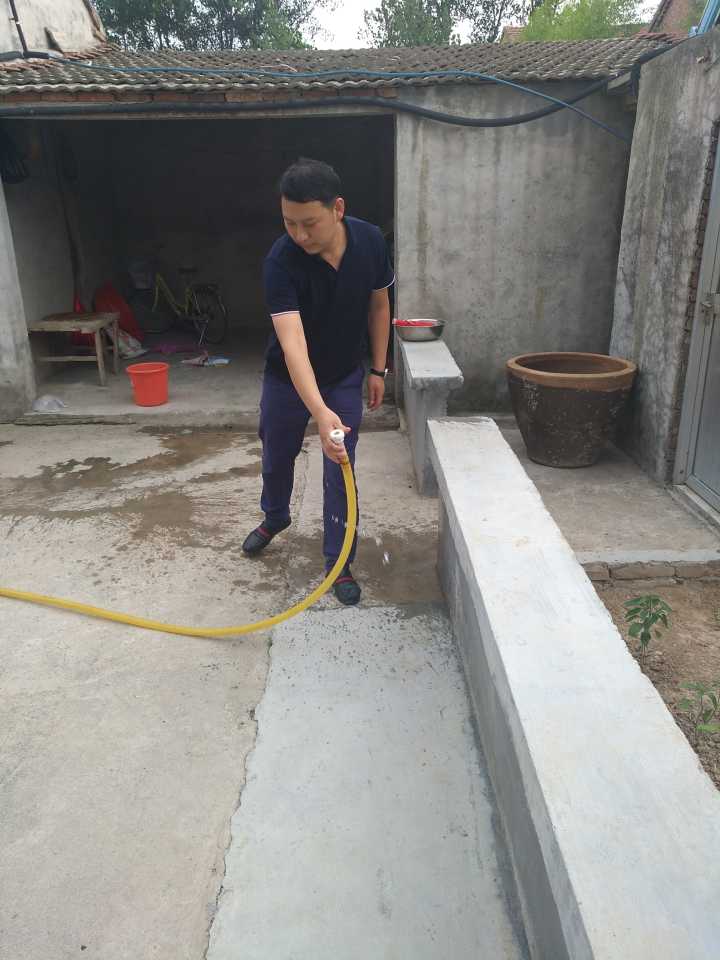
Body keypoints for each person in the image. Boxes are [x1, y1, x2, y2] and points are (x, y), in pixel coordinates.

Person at [242, 158, 393, 606]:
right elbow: (292, 343)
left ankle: (339, 561)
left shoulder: (370, 241)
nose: (299, 235)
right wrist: (319, 411)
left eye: (309, 223)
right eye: (289, 223)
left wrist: (378, 369)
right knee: (276, 455)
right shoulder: (280, 261)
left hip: (344, 374)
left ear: (337, 209)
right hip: (287, 380)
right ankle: (275, 516)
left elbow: (379, 305)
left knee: (340, 468)